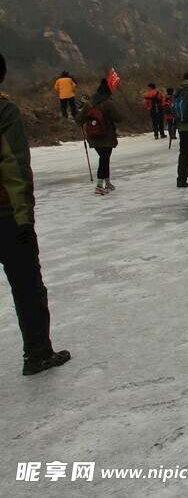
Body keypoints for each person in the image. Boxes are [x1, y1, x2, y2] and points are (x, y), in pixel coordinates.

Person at [0, 53, 72, 376]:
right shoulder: (4, 111)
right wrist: (24, 217)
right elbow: (14, 166)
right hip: (5, 215)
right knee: (28, 286)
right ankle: (38, 354)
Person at [76, 79, 123, 195]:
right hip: (106, 136)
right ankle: (99, 185)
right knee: (104, 159)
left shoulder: (89, 104)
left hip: (93, 137)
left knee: (104, 158)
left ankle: (107, 182)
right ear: (107, 94)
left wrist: (80, 111)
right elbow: (119, 118)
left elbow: (79, 120)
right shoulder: (108, 103)